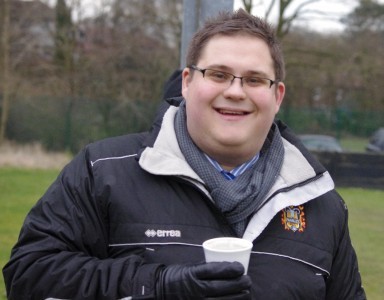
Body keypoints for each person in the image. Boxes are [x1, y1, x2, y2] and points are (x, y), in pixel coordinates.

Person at [3, 9, 366, 300]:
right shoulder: (102, 171)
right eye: (218, 74)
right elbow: (28, 275)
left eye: (255, 80)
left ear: (278, 95)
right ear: (188, 82)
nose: (236, 92)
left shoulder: (321, 204)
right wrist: (156, 284)